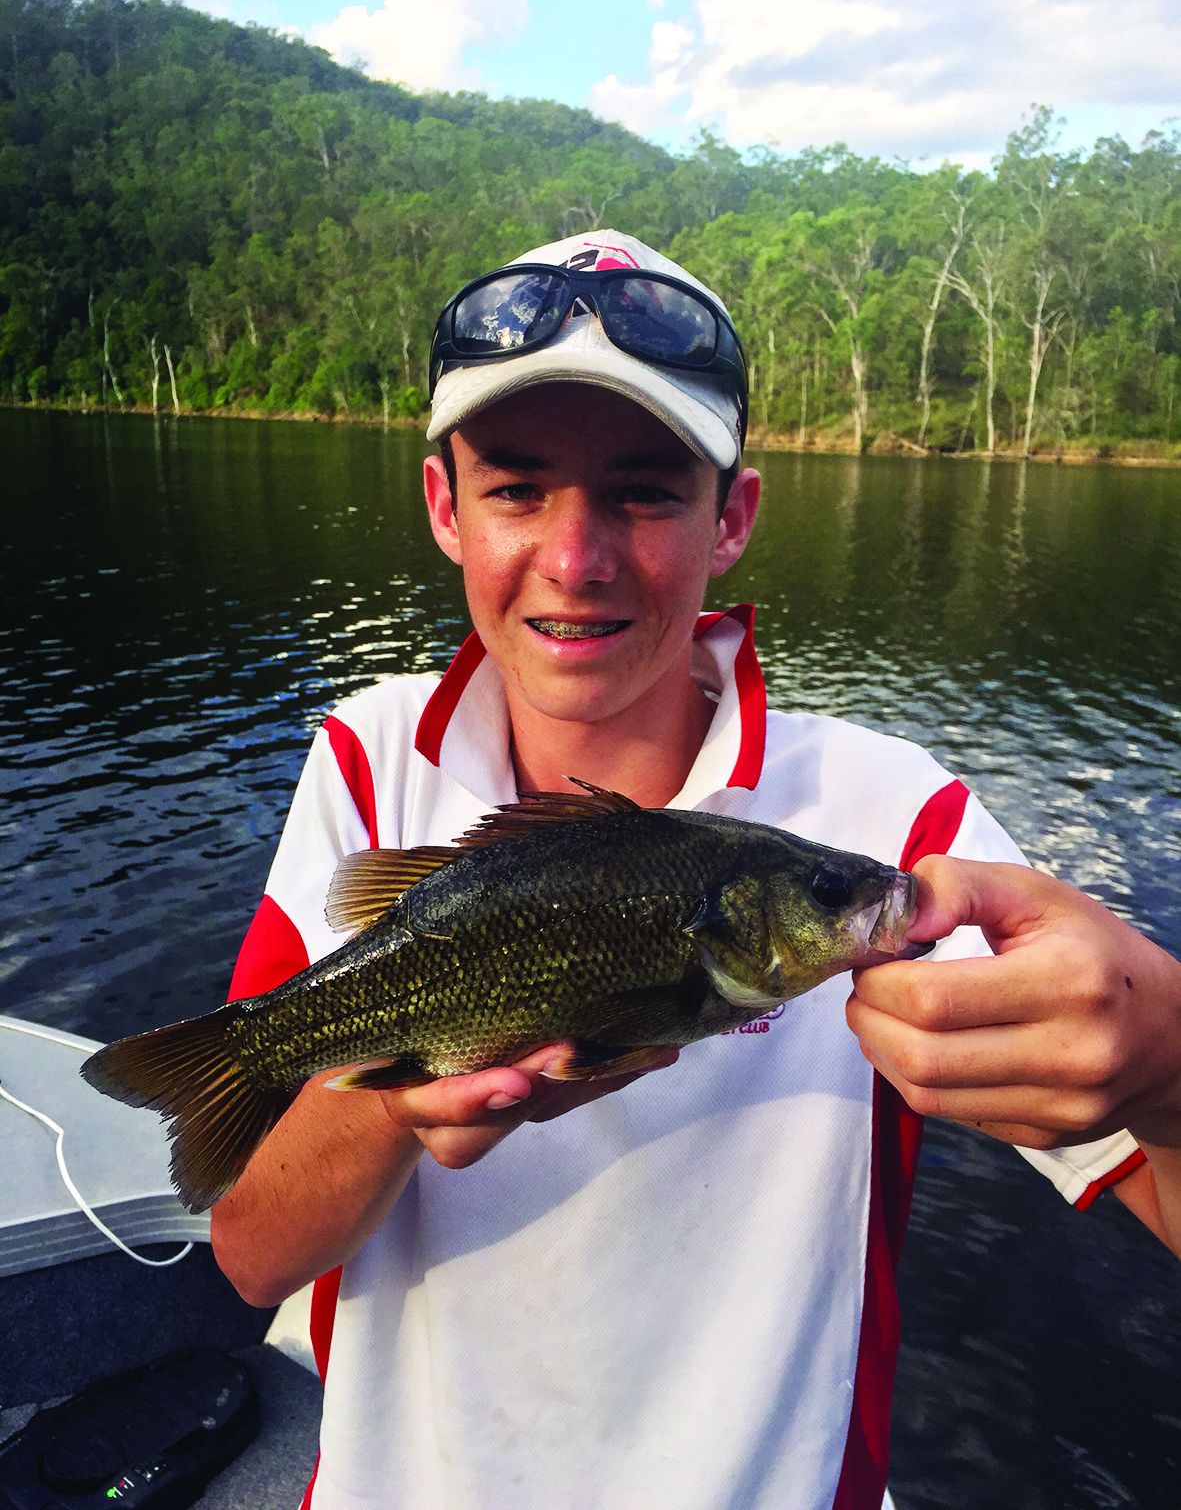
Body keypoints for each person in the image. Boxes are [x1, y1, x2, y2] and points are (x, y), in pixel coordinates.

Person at [210, 231, 1181, 1510]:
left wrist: (1165, 1064)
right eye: (515, 489)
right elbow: (249, 1256)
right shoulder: (367, 756)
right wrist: (392, 1098)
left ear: (731, 518)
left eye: (644, 493)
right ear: (444, 507)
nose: (576, 558)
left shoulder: (898, 824)